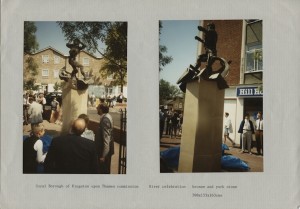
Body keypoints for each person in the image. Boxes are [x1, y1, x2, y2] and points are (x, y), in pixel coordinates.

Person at [96, 104, 114, 174]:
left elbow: (106, 138)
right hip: (105, 150)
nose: (96, 109)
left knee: (103, 171)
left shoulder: (105, 120)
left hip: (104, 151)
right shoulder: (107, 117)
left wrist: (104, 156)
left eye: (98, 108)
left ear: (101, 110)